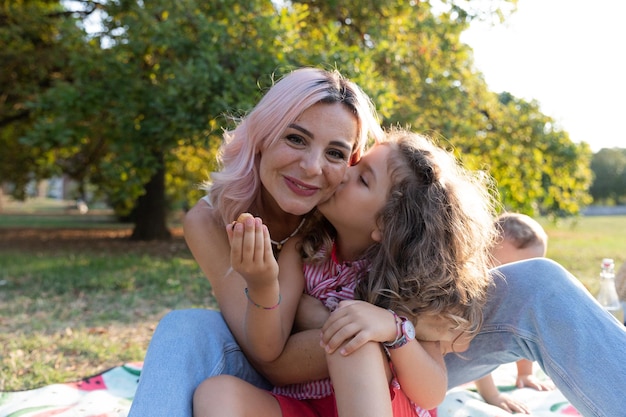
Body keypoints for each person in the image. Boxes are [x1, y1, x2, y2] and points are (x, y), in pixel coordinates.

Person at [128, 67, 626, 417]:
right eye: (295, 139)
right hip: (298, 370)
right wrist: (350, 318)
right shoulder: (224, 226)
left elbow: (415, 206)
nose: (314, 168)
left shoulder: (362, 216)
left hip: (395, 370)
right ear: (262, 135)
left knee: (539, 280)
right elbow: (270, 357)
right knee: (184, 331)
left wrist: (404, 324)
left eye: (339, 155)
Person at [192, 129, 498, 417]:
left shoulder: (413, 283)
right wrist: (261, 284)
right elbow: (267, 349)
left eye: (363, 179)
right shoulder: (304, 251)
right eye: (353, 163)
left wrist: (394, 331)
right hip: (309, 406)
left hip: (383, 405)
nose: (343, 172)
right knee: (216, 395)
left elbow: (431, 394)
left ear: (387, 225)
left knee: (353, 339)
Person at [473, 212, 555, 414]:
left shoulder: (520, 290)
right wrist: (492, 395)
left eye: (531, 269)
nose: (520, 279)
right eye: (509, 269)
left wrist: (525, 373)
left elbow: (525, 325)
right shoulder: (474, 291)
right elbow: (471, 352)